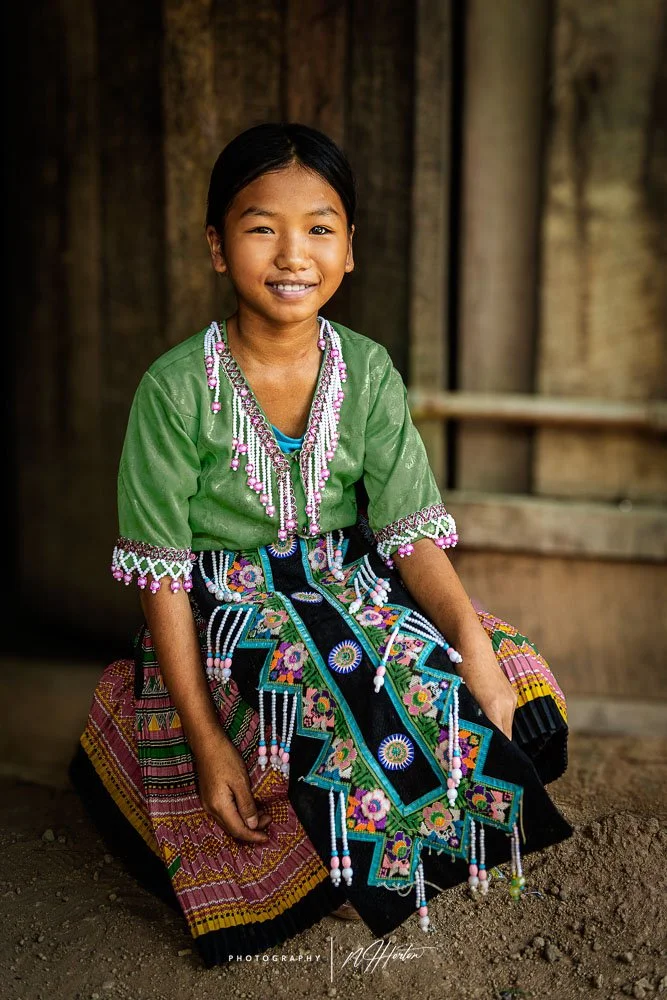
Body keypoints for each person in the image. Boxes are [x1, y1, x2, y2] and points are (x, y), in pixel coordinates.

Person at [68, 122, 572, 968]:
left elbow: (409, 535)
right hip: (227, 605)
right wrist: (204, 739)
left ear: (350, 251)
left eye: (320, 228)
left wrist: (473, 646)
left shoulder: (368, 372)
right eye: (261, 226)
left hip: (351, 579)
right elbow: (160, 579)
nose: (291, 252)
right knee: (313, 691)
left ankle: (380, 846)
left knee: (475, 669)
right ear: (218, 249)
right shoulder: (174, 389)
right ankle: (333, 860)